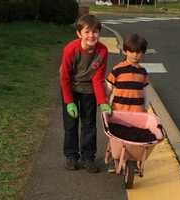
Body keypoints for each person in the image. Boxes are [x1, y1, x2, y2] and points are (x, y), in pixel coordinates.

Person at [59, 14, 111, 173]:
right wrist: (69, 102)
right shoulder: (70, 49)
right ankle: (71, 156)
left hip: (89, 90)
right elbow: (65, 77)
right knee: (71, 124)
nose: (91, 35)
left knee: (89, 125)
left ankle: (88, 157)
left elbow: (98, 78)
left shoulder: (102, 51)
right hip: (70, 88)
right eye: (87, 32)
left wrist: (103, 101)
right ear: (79, 33)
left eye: (95, 32)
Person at [106, 33, 149, 172]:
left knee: (136, 139)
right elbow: (109, 87)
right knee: (117, 137)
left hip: (137, 111)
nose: (136, 55)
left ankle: (134, 159)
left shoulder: (143, 72)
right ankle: (115, 158)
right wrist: (105, 103)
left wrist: (146, 107)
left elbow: (144, 90)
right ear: (125, 51)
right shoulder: (118, 69)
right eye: (132, 51)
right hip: (119, 110)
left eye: (139, 52)